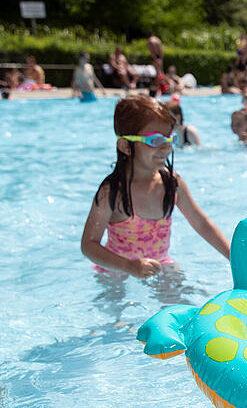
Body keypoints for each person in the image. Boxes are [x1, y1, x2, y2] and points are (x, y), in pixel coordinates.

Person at [81, 97, 230, 277]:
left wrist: (233, 256)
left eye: (170, 138)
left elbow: (202, 224)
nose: (166, 147)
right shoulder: (113, 192)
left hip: (160, 265)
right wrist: (129, 266)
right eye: (155, 140)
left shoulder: (171, 183)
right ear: (125, 146)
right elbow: (88, 245)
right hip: (117, 271)